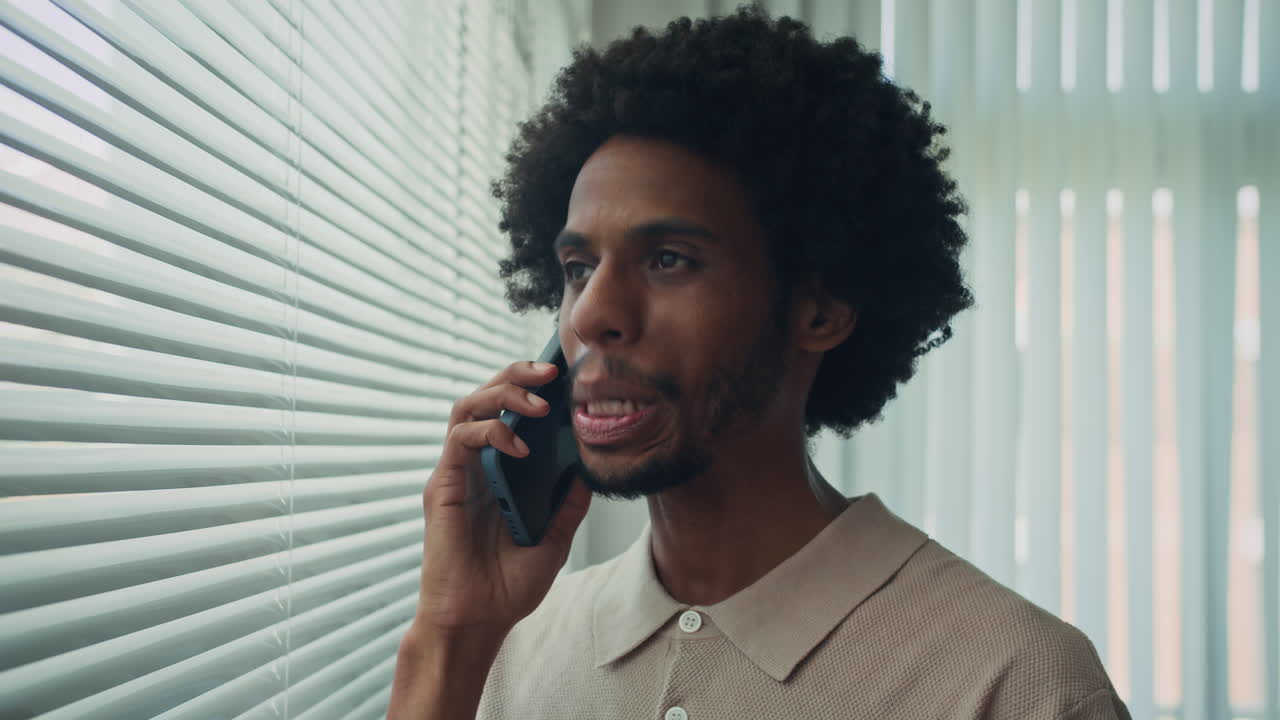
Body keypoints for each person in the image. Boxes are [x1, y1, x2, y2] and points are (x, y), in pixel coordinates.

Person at [389, 6, 1130, 719]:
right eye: (579, 267)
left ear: (820, 308)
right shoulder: (508, 653)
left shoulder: (1017, 684)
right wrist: (450, 634)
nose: (590, 315)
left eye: (669, 259)